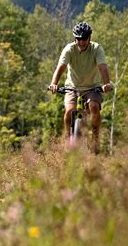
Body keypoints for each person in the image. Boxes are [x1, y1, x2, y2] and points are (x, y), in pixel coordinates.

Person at [48, 21, 112, 152]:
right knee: (69, 110)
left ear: (89, 38)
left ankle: (95, 138)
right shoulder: (69, 49)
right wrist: (54, 84)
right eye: (78, 39)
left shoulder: (96, 49)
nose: (81, 42)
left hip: (92, 87)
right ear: (74, 38)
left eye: (84, 39)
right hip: (72, 87)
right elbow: (61, 67)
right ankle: (67, 138)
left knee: (94, 107)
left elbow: (103, 68)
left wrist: (106, 83)